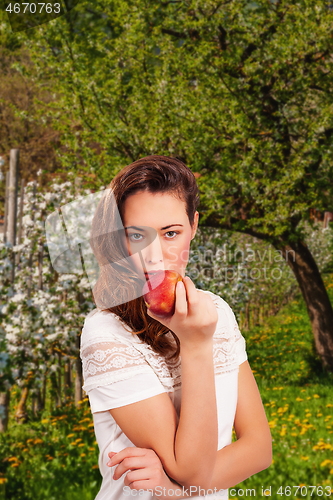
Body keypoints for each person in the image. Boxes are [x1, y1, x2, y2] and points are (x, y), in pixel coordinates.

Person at [80, 155, 272, 500]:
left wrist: (176, 491)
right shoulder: (106, 332)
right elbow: (194, 470)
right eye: (137, 235)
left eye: (171, 233)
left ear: (194, 226)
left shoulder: (217, 313)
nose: (155, 255)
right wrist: (196, 346)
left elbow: (259, 448)